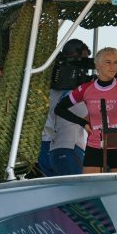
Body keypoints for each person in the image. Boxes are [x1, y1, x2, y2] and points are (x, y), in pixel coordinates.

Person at [55, 47, 117, 173]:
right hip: (94, 146)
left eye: (116, 62)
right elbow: (59, 109)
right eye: (108, 62)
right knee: (90, 188)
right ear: (97, 65)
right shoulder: (86, 88)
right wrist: (83, 123)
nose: (113, 66)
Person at [38, 39, 92, 176]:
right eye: (83, 62)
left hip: (44, 150)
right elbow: (92, 119)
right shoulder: (73, 97)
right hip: (68, 149)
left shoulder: (46, 92)